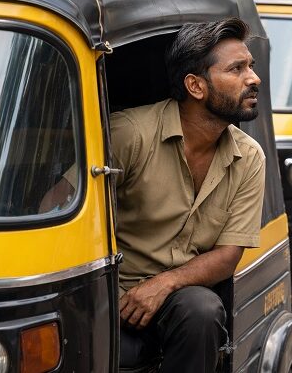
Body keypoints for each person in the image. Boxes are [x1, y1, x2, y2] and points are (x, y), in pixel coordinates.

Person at [45, 18, 266, 371]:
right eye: (237, 69)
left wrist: (165, 284)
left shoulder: (250, 156)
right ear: (195, 86)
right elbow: (53, 204)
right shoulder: (130, 134)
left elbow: (227, 255)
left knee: (203, 311)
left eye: (250, 67)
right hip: (109, 294)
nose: (253, 78)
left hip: (179, 296)